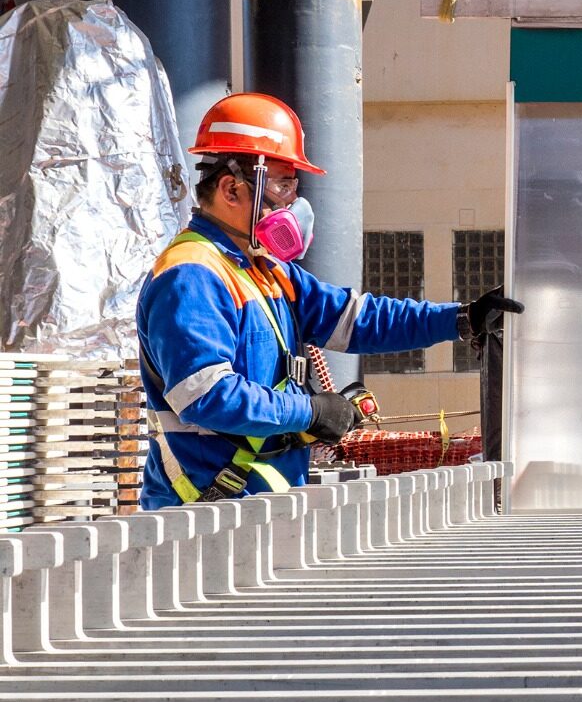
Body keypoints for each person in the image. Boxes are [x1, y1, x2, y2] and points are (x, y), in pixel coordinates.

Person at [136, 92, 523, 510]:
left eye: (293, 185)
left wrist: (461, 319)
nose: (293, 202)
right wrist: (311, 412)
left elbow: (358, 319)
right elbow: (208, 396)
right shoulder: (190, 276)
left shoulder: (264, 269)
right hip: (201, 518)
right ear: (232, 189)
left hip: (258, 508)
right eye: (282, 184)